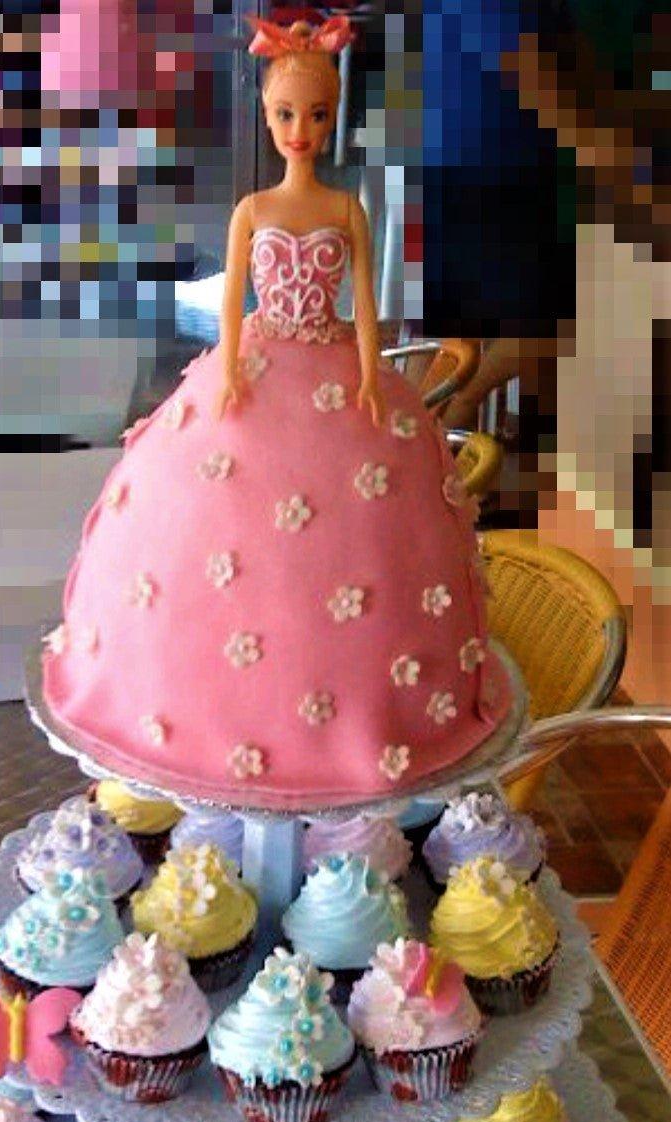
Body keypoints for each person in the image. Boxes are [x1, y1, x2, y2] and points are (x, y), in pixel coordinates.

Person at [42, 16, 511, 807]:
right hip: (255, 369)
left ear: (334, 117)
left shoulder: (345, 210)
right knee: (209, 530)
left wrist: (370, 374)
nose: (302, 130)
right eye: (287, 114)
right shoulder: (253, 209)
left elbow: (366, 302)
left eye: (317, 114)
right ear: (267, 116)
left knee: (356, 548)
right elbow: (232, 302)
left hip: (336, 370)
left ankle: (353, 720)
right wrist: (225, 369)